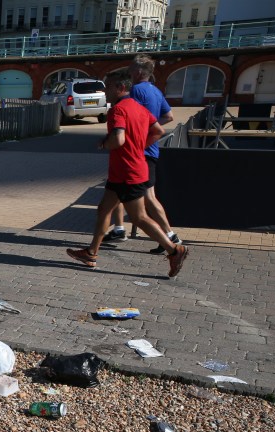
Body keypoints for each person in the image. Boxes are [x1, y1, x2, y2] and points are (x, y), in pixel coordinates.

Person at [66, 71, 189, 279]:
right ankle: (91, 253)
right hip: (126, 169)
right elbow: (158, 130)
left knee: (139, 217)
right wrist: (140, 147)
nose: (105, 91)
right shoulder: (139, 108)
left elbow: (119, 139)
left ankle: (174, 250)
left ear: (121, 88)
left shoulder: (118, 110)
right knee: (104, 208)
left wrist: (106, 143)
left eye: (109, 86)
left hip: (127, 172)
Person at [103, 55, 181, 253]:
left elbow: (127, 115)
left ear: (137, 73)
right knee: (116, 191)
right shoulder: (155, 90)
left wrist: (138, 138)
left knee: (146, 201)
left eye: (130, 70)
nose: (128, 74)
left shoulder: (134, 91)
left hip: (137, 153)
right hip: (146, 151)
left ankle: (171, 240)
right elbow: (168, 117)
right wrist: (147, 130)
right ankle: (118, 229)